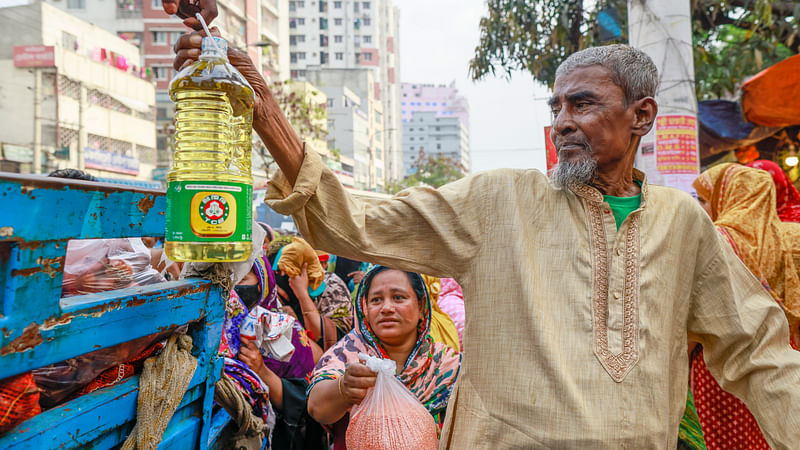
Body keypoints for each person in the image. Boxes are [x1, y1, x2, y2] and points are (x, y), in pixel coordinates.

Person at [173, 26, 800, 446]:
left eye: (581, 105)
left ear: (641, 117)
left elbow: (760, 353)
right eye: (555, 107)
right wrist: (264, 108)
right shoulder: (501, 198)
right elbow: (359, 220)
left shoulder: (681, 222)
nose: (562, 123)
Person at [690, 163, 800, 449]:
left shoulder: (717, 240)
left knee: (728, 439)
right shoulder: (790, 236)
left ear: (729, 198)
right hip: (781, 358)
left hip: (720, 365)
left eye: (703, 199)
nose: (700, 208)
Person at [305, 266, 460, 446]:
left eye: (398, 297)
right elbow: (316, 408)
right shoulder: (348, 354)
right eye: (376, 300)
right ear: (365, 309)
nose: (386, 308)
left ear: (421, 306)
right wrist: (344, 389)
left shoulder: (446, 363)